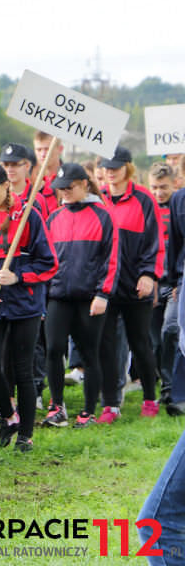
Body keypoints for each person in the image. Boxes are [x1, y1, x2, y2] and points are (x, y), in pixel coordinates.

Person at [0, 163, 58, 451]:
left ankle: (25, 434)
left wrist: (18, 276)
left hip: (26, 304)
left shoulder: (29, 217)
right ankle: (8, 417)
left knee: (21, 370)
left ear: (6, 185)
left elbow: (49, 263)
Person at [45, 163, 118, 427]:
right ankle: (56, 406)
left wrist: (103, 293)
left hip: (90, 298)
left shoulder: (103, 216)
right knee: (53, 349)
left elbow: (112, 258)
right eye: (60, 188)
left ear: (84, 184)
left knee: (89, 354)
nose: (64, 192)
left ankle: (88, 411)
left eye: (69, 187)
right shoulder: (54, 218)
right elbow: (47, 260)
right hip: (58, 295)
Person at [98, 146, 164, 422]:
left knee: (140, 343)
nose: (111, 172)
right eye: (106, 167)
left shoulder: (144, 199)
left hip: (136, 285)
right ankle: (111, 403)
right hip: (105, 287)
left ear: (128, 167)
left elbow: (155, 242)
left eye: (116, 166)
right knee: (107, 345)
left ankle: (150, 396)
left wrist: (149, 275)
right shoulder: (97, 199)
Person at [148, 162, 177, 405]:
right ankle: (159, 384)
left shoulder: (179, 206)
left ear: (174, 183)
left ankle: (169, 388)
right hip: (153, 281)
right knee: (154, 340)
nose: (159, 193)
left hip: (174, 281)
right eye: (155, 187)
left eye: (163, 187)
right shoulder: (149, 209)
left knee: (171, 330)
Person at [32, 131, 65, 215]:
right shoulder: (31, 180)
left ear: (60, 149)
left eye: (47, 149)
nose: (43, 154)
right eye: (39, 150)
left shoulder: (70, 179)